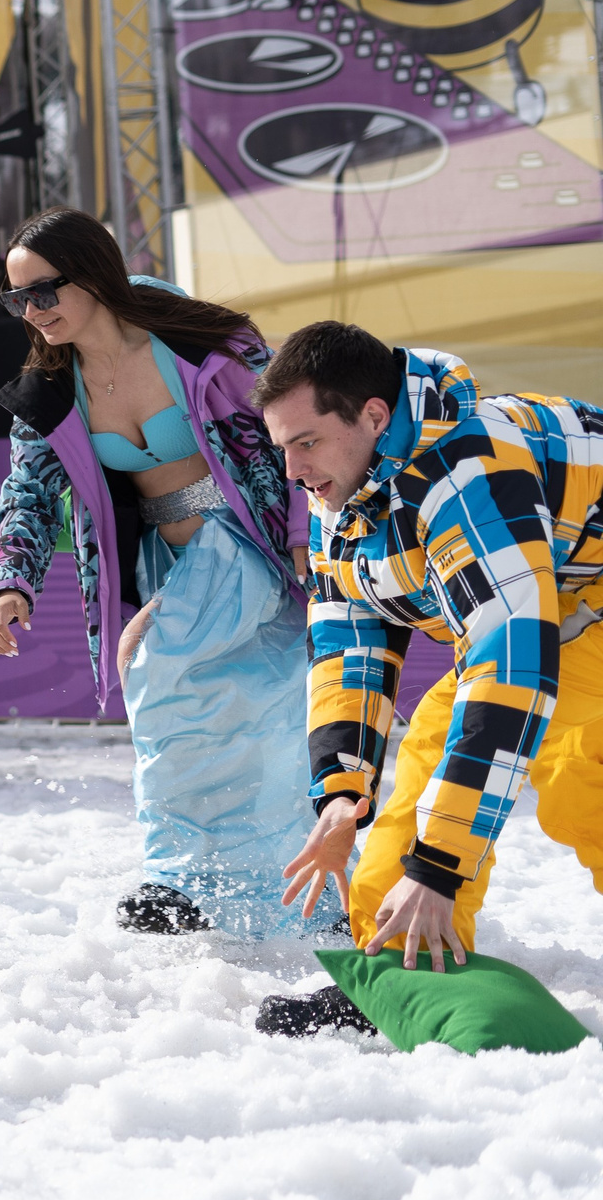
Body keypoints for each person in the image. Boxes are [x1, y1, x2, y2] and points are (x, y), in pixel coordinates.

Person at [257, 324, 603, 1036]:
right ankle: (396, 975)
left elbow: (513, 666)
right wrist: (343, 789)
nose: (293, 471)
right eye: (282, 446)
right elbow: (350, 637)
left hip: (577, 612)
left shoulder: (469, 474)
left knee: (578, 776)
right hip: (553, 612)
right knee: (415, 800)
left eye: (307, 442)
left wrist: (443, 868)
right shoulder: (347, 483)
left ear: (374, 416)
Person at [0, 208, 315, 938]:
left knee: (163, 685)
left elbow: (290, 431)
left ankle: (170, 879)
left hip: (244, 545)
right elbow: (28, 491)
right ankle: (220, 891)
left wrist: (302, 534)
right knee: (249, 728)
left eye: (44, 291)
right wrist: (13, 581)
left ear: (93, 274)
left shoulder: (199, 344)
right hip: (161, 563)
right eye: (18, 300)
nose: (33, 313)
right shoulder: (49, 386)